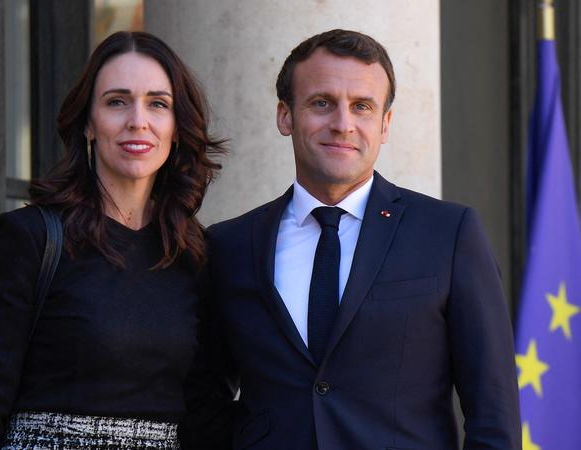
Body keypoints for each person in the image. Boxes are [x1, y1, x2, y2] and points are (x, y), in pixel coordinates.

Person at [206, 29, 521, 449]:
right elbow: (204, 399)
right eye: (322, 103)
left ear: (385, 124)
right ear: (285, 115)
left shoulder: (449, 234)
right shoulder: (229, 246)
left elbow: (493, 414)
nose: (342, 124)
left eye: (362, 107)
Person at [0, 31, 231, 449]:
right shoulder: (31, 238)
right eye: (116, 101)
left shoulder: (194, 255)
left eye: (158, 104)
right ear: (88, 123)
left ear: (178, 127)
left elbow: (204, 409)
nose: (138, 120)